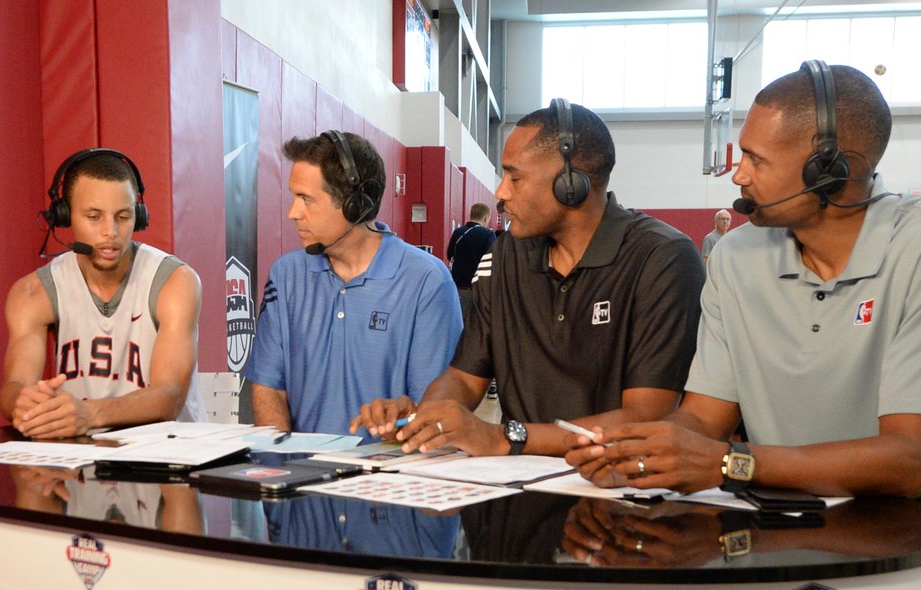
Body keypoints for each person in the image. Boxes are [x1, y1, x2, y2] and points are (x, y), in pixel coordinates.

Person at [565, 62, 921, 590]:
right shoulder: (735, 257)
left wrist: (728, 463)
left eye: (756, 159)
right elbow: (703, 419)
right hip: (780, 519)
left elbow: (909, 462)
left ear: (830, 168)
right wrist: (641, 452)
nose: (738, 175)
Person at [352, 100, 705, 457]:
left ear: (571, 183)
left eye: (515, 177)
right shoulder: (506, 254)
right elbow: (463, 378)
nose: (501, 192)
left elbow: (645, 419)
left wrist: (506, 438)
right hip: (514, 483)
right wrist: (427, 419)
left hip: (615, 484)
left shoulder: (662, 258)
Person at [245, 130, 462, 436]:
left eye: (306, 199)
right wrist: (280, 459)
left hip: (392, 466)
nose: (293, 213)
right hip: (300, 466)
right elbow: (270, 388)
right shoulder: (285, 275)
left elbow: (433, 411)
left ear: (354, 205)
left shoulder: (427, 281)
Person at [0, 148, 205, 438]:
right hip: (84, 454)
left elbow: (169, 396)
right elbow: (14, 386)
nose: (111, 232)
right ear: (65, 216)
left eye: (123, 216)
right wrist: (23, 403)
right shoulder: (33, 292)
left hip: (170, 454)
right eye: (94, 216)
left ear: (139, 216)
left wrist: (90, 414)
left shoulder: (175, 281)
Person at [447, 202, 497, 319]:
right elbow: (492, 261)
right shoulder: (488, 234)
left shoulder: (458, 232)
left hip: (458, 287)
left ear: (471, 215)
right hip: (479, 289)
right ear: (486, 218)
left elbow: (450, 255)